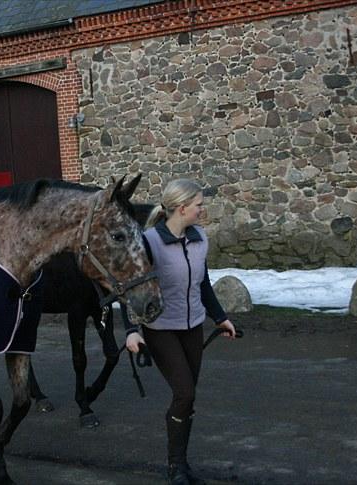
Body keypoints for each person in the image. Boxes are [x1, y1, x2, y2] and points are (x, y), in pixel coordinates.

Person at [125, 179, 236, 485]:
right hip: (160, 328)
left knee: (187, 398)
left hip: (193, 326)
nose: (203, 209)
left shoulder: (199, 238)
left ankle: (182, 466)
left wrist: (220, 317)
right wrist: (133, 330)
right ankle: (176, 468)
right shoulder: (148, 241)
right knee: (184, 392)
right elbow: (131, 288)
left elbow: (202, 283)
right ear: (182, 207)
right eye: (199, 204)